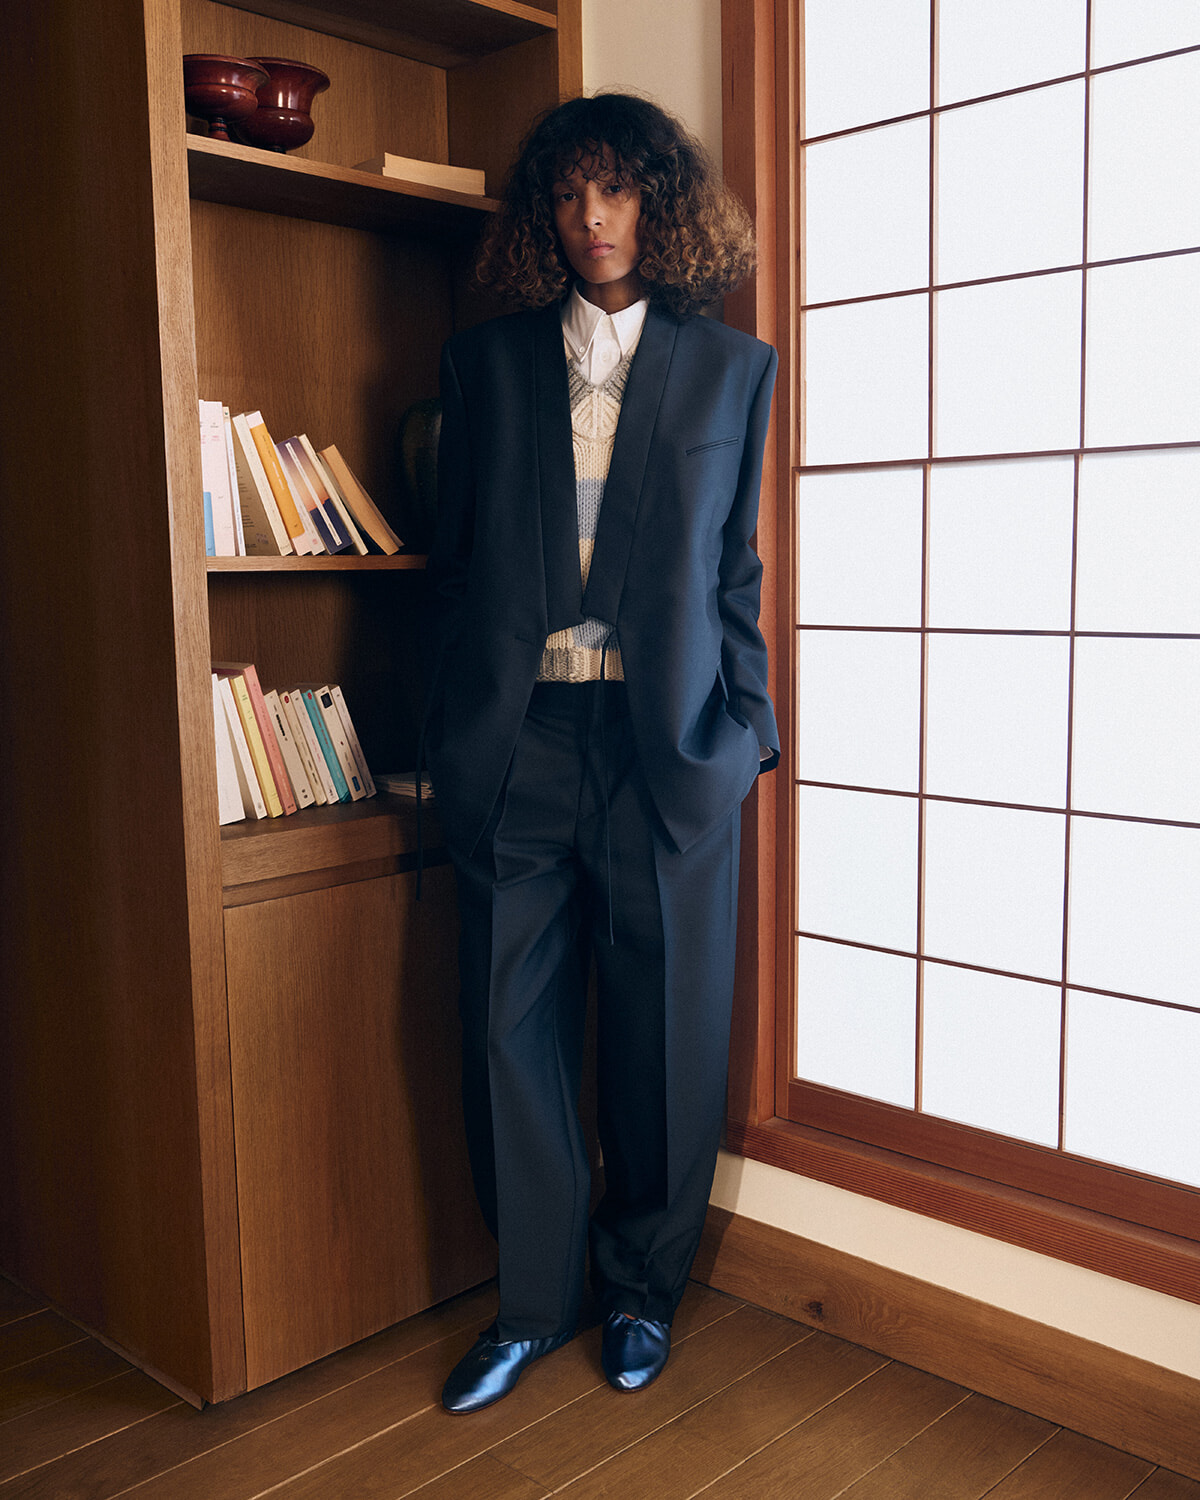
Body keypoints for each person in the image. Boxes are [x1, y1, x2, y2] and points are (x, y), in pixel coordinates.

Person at [420, 91, 779, 1415]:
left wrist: (748, 734)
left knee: (665, 1036)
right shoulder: (486, 365)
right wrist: (448, 738)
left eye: (618, 190)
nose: (594, 218)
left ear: (657, 202)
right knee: (507, 1033)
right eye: (570, 195)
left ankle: (641, 1293)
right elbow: (452, 571)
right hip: (521, 744)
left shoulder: (732, 371)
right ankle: (529, 1304)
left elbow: (735, 571)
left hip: (668, 742)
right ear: (544, 216)